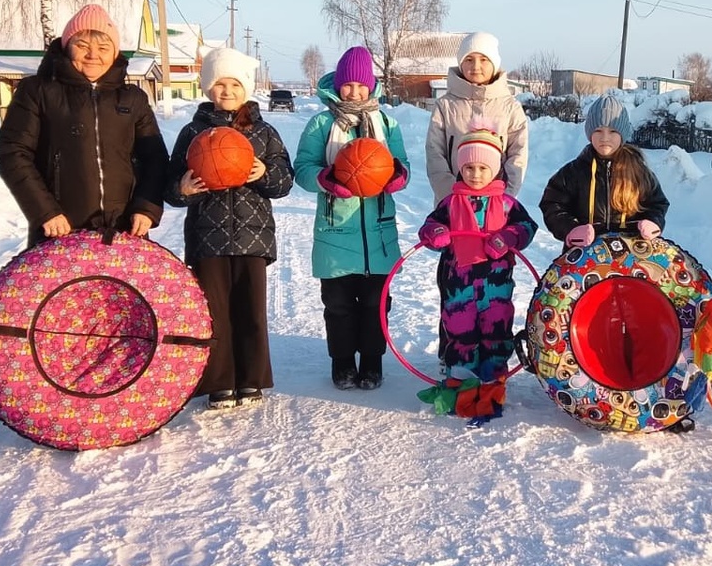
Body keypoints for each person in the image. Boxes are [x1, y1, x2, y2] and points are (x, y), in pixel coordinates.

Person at [165, 47, 294, 410]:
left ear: (246, 89)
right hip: (207, 235)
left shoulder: (263, 132)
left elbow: (284, 181)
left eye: (235, 84)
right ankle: (220, 382)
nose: (227, 91)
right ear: (208, 87)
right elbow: (170, 184)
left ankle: (251, 379)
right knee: (215, 312)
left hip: (253, 235)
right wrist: (182, 189)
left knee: (250, 310)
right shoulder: (193, 131)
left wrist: (265, 173)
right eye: (220, 84)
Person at [0, 3, 167, 248]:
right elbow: (13, 153)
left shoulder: (133, 99)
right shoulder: (38, 92)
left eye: (103, 48)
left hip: (124, 231)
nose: (93, 55)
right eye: (82, 46)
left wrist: (146, 209)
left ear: (115, 52)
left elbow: (155, 159)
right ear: (67, 47)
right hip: (60, 230)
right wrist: (46, 212)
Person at [294, 46, 410, 390]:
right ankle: (343, 363)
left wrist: (397, 176)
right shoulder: (322, 124)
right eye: (348, 85)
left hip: (379, 234)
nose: (354, 92)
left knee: (377, 303)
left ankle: (372, 363)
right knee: (338, 304)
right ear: (338, 85)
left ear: (371, 86)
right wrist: (325, 179)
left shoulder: (386, 124)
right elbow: (302, 169)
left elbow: (402, 165)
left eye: (361, 85)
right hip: (335, 233)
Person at [417, 120, 537, 409]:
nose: (475, 174)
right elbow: (429, 227)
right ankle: (461, 380)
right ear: (460, 167)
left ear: (495, 168)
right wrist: (436, 233)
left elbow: (526, 227)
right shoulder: (450, 203)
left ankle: (493, 380)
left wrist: (508, 237)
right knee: (460, 330)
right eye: (469, 167)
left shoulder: (507, 204)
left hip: (496, 287)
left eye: (483, 168)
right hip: (459, 286)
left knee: (496, 330)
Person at [540, 95, 668, 247]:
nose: (605, 138)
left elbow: (657, 203)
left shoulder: (638, 172)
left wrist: (653, 222)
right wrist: (570, 228)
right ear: (589, 133)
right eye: (598, 130)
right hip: (585, 253)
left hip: (630, 253)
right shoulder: (573, 172)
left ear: (623, 134)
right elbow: (552, 204)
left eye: (613, 131)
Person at [426, 31, 528, 203]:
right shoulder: (445, 106)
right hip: (452, 203)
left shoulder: (511, 108)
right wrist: (450, 195)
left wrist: (505, 197)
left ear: (494, 63)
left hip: (496, 204)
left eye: (483, 59)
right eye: (469, 59)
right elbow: (434, 152)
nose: (476, 66)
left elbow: (518, 154)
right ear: (461, 63)